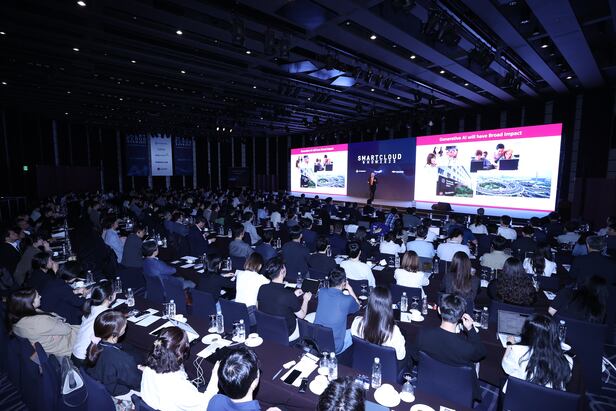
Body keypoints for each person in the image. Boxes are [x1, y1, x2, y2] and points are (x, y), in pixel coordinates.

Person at [412, 294, 486, 399]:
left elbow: (416, 357)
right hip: (458, 393)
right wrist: (470, 329)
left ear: (438, 310)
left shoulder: (423, 335)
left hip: (427, 385)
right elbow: (481, 353)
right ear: (461, 316)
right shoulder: (467, 348)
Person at [140, 327, 218, 411]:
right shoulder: (180, 387)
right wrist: (215, 375)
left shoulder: (150, 366)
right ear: (179, 353)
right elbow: (207, 405)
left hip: (155, 402)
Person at [501, 314, 572, 392]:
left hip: (519, 395)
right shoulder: (568, 361)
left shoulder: (518, 351)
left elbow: (506, 368)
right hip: (548, 399)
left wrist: (510, 344)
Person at [86, 310, 142, 405]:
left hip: (102, 383)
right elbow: (138, 384)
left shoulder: (93, 347)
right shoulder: (121, 359)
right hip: (118, 393)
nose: (126, 325)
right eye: (124, 326)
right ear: (115, 334)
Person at [8, 288, 79, 358]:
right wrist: (56, 324)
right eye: (37, 296)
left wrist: (53, 329)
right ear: (30, 303)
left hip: (52, 348)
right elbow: (67, 329)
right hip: (67, 345)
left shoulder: (16, 322)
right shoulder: (39, 321)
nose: (40, 296)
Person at [257, 257, 311, 342]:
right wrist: (306, 300)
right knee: (313, 316)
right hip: (287, 333)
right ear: (282, 271)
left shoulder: (262, 288)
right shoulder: (288, 295)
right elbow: (302, 315)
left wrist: (293, 296)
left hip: (267, 329)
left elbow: (269, 302)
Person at [350, 286, 406, 360]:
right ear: (388, 306)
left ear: (369, 304)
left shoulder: (356, 322)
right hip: (385, 366)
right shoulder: (394, 331)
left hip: (362, 362)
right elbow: (401, 356)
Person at [314, 268, 359, 354]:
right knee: (357, 331)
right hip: (335, 348)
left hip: (317, 343)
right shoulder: (348, 300)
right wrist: (350, 289)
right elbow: (358, 306)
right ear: (343, 282)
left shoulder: (321, 292)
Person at [72, 281, 116, 366]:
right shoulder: (107, 315)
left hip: (75, 355)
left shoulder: (90, 307)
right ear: (112, 296)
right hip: (85, 360)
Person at [38, 261, 87, 325]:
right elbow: (79, 303)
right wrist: (85, 294)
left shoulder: (54, 281)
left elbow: (61, 294)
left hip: (49, 312)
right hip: (58, 318)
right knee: (85, 307)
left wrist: (75, 291)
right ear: (72, 276)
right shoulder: (63, 287)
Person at [235, 253, 269, 324]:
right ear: (259, 266)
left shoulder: (239, 274)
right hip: (250, 315)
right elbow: (273, 285)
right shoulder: (260, 278)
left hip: (237, 311)